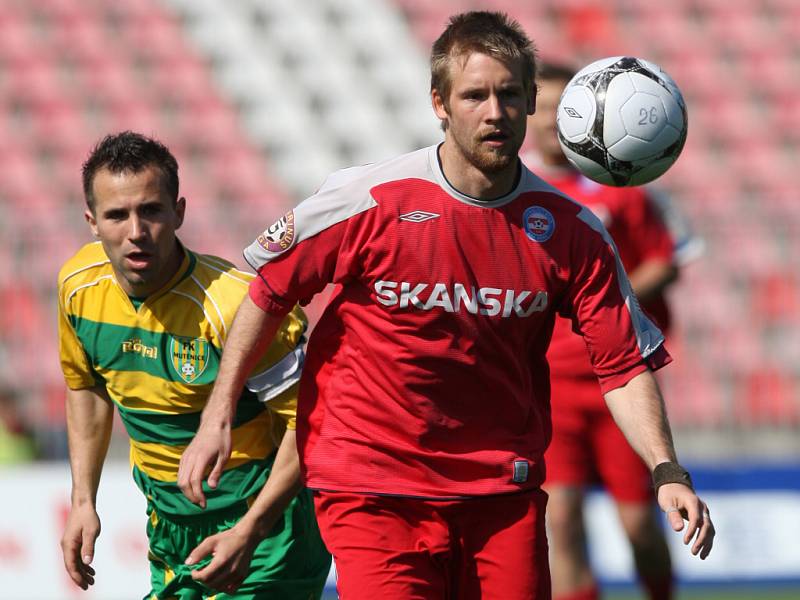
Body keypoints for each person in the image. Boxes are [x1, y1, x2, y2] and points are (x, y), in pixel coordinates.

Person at [178, 12, 715, 600]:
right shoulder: (369, 200)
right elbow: (268, 291)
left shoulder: (572, 230)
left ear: (534, 101)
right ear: (439, 103)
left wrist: (667, 470)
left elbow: (623, 364)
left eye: (510, 95)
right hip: (372, 484)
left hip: (499, 489)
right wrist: (219, 412)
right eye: (474, 95)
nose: (494, 112)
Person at [57, 131, 331, 598]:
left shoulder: (236, 306)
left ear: (179, 212)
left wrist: (251, 529)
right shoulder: (78, 288)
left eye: (152, 210)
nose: (136, 232)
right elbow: (86, 386)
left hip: (267, 524)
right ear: (92, 222)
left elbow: (311, 426)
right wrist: (83, 500)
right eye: (117, 215)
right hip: (169, 524)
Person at [524, 61, 689, 600]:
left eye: (558, 109)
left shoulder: (622, 184)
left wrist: (603, 299)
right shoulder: (518, 189)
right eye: (544, 109)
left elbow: (665, 260)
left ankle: (661, 591)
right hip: (550, 389)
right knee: (562, 519)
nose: (550, 121)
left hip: (617, 379)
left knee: (640, 525)